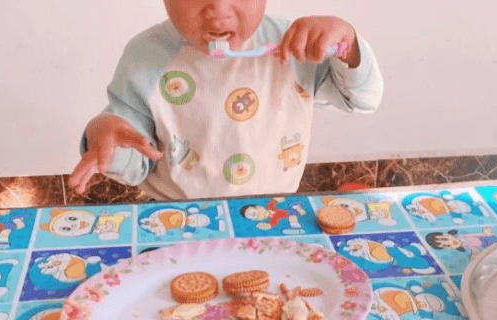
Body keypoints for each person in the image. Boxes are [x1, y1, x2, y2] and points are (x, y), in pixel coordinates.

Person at [69, 0, 383, 201]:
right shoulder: (146, 57)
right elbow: (135, 163)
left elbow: (362, 100)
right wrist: (105, 140)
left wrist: (348, 47)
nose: (218, 9)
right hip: (175, 221)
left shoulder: (294, 45)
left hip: (274, 214)